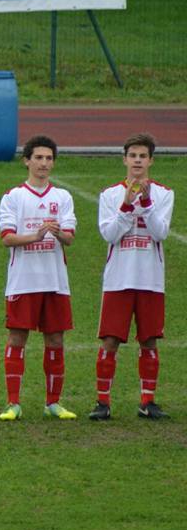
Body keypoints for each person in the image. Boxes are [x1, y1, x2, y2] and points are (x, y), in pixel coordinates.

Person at [90, 133, 173, 421]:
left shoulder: (164, 194)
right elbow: (109, 234)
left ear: (150, 160)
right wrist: (126, 205)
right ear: (124, 159)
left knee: (149, 340)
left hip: (150, 278)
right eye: (133, 156)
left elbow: (160, 232)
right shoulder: (110, 195)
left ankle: (147, 402)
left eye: (143, 156)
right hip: (118, 278)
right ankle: (103, 402)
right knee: (110, 340)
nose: (137, 161)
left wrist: (147, 203)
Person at [0, 135, 78, 421]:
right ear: (27, 161)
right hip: (23, 281)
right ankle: (13, 404)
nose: (44, 163)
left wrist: (57, 233)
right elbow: (7, 239)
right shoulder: (13, 197)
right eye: (39, 158)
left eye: (49, 158)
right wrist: (37, 235)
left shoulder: (63, 197)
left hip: (55, 281)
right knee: (17, 336)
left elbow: (69, 238)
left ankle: (53, 403)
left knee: (55, 339)